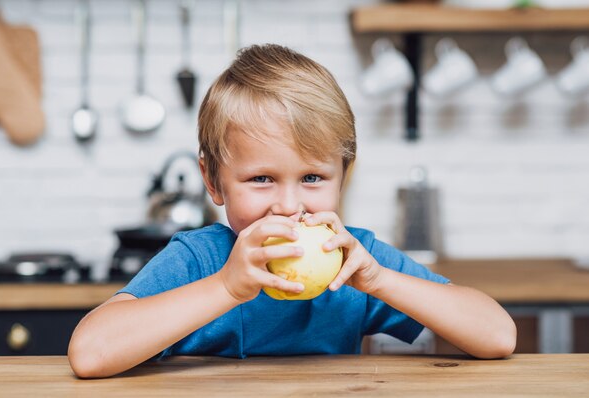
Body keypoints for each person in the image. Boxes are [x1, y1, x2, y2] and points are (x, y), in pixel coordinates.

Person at [68, 44, 516, 378]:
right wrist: (226, 287)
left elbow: (497, 335)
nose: (288, 205)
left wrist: (379, 280)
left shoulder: (355, 260)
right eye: (261, 179)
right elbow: (90, 353)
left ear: (345, 177)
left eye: (312, 178)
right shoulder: (198, 260)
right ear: (212, 181)